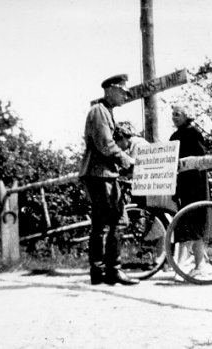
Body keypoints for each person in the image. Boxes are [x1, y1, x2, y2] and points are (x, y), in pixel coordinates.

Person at [79, 74, 140, 286]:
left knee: (101, 223)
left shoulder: (105, 112)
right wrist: (127, 161)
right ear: (111, 89)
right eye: (123, 91)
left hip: (101, 173)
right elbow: (105, 144)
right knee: (116, 221)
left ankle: (99, 272)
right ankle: (112, 270)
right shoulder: (99, 111)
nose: (127, 95)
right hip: (100, 174)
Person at [169, 104, 209, 279]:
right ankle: (199, 264)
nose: (174, 117)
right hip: (183, 185)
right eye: (173, 114)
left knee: (193, 223)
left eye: (177, 114)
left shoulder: (193, 133)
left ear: (187, 116)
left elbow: (201, 159)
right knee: (189, 224)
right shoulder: (175, 136)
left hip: (196, 185)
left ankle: (186, 265)